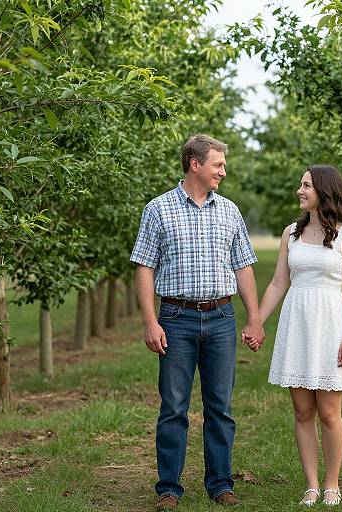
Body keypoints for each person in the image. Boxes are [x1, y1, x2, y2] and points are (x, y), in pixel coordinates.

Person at [131, 134, 265, 511]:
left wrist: (253, 318)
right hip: (175, 318)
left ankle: (221, 484)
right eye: (218, 164)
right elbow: (145, 267)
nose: (224, 170)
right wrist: (150, 322)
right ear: (195, 164)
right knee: (173, 407)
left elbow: (243, 267)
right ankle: (168, 490)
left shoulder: (230, 211)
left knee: (219, 407)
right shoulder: (158, 209)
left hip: (221, 318)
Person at [243, 164, 342, 506]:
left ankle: (332, 483)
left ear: (325, 191)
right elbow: (279, 282)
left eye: (307, 185)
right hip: (297, 323)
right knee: (302, 411)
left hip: (330, 325)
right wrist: (257, 322)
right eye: (300, 184)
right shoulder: (290, 233)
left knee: (329, 411)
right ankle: (311, 484)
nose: (300, 190)